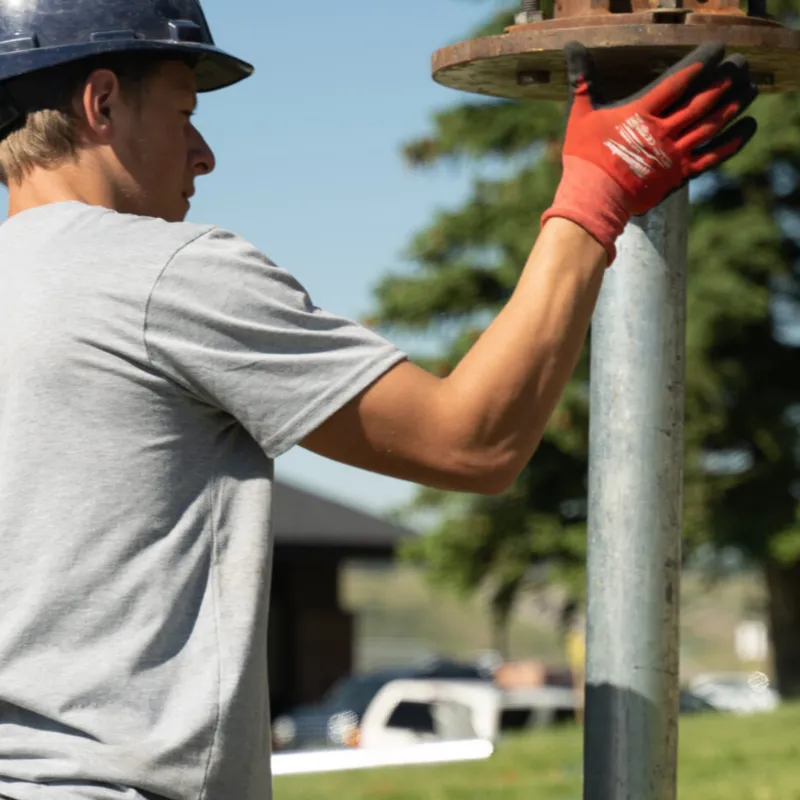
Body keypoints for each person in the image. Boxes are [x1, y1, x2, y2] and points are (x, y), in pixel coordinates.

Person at [0, 0, 758, 797]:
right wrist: (597, 194)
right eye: (186, 113)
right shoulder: (163, 273)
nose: (204, 154)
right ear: (103, 102)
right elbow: (472, 442)